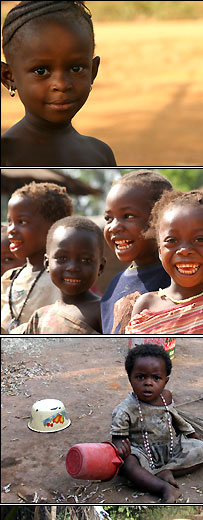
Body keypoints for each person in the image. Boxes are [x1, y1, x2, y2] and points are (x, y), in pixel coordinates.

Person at [1, 0, 116, 166]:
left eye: (76, 69)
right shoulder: (6, 156)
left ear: (93, 71)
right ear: (8, 77)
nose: (62, 85)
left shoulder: (100, 154)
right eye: (41, 71)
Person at [127, 186, 203, 336]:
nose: (184, 250)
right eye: (171, 240)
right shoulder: (146, 306)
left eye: (200, 239)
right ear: (160, 250)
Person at [111, 345, 203, 504]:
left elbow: (175, 417)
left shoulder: (166, 397)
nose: (148, 383)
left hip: (171, 446)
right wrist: (120, 446)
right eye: (140, 377)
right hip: (143, 453)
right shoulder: (125, 409)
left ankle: (166, 471)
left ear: (165, 381)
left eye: (156, 378)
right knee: (126, 465)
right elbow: (118, 437)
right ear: (130, 378)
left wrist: (190, 433)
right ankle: (163, 488)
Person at [101, 169, 173, 335]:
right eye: (108, 218)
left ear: (160, 219)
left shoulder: (178, 279)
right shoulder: (114, 285)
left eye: (128, 215)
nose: (114, 226)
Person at [1, 181, 73, 333]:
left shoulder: (61, 280)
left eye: (22, 222)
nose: (12, 230)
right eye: (10, 221)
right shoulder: (11, 277)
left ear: (54, 227)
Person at [25, 216, 106, 334]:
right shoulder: (40, 317)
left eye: (85, 260)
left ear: (100, 267)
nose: (73, 268)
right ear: (47, 264)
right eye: (62, 258)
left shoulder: (104, 311)